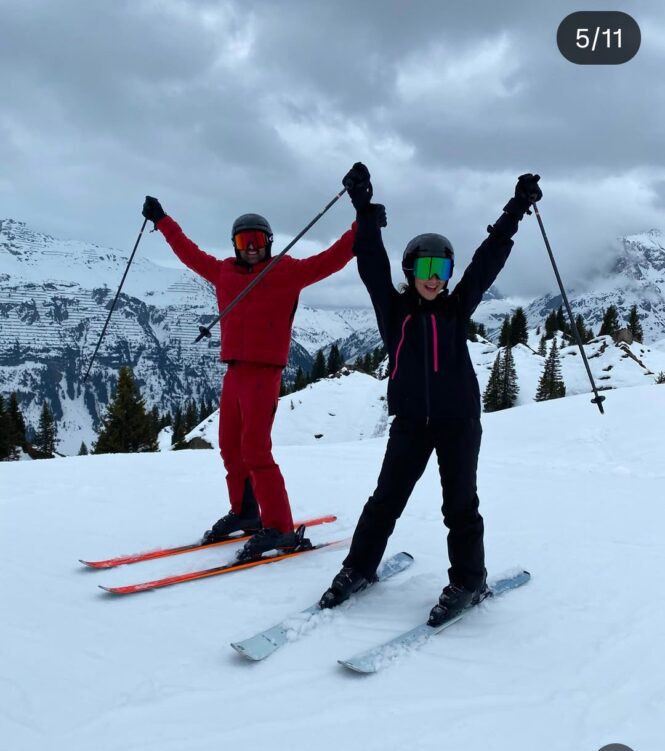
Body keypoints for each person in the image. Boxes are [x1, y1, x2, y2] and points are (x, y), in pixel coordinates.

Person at [320, 164, 542, 624]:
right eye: (426, 267)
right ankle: (358, 568)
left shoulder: (457, 308)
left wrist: (517, 208)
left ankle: (469, 580)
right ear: (411, 269)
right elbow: (370, 261)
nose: (435, 277)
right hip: (410, 424)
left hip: (459, 421)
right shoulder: (393, 308)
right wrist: (363, 207)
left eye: (441, 268)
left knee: (460, 505)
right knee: (385, 500)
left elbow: (489, 257)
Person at [141, 186, 358, 560]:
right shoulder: (223, 271)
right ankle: (246, 513)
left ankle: (280, 528)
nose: (251, 245)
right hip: (235, 372)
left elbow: (332, 259)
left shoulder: (287, 271)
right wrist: (162, 220)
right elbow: (189, 253)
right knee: (230, 447)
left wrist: (363, 221)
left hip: (264, 373)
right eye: (244, 239)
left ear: (269, 242)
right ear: (235, 243)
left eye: (257, 239)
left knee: (256, 449)